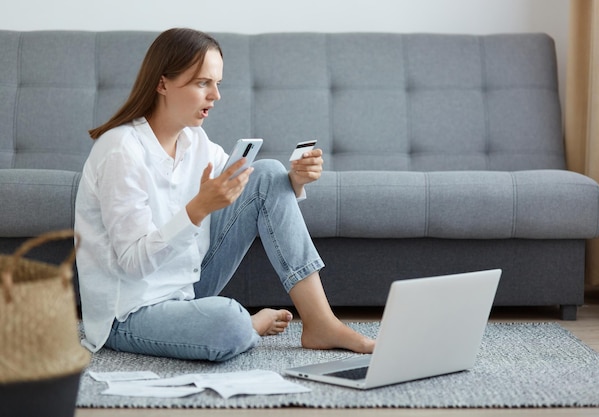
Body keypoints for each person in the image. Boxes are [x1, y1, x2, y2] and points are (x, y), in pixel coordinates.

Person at [75, 28, 375, 362]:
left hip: (186, 289)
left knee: (270, 173)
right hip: (130, 311)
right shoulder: (121, 150)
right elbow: (132, 264)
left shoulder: (195, 142)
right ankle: (248, 324)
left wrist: (296, 180)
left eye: (217, 83)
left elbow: (259, 194)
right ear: (162, 84)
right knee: (229, 323)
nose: (215, 95)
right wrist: (198, 209)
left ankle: (320, 322)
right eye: (203, 83)